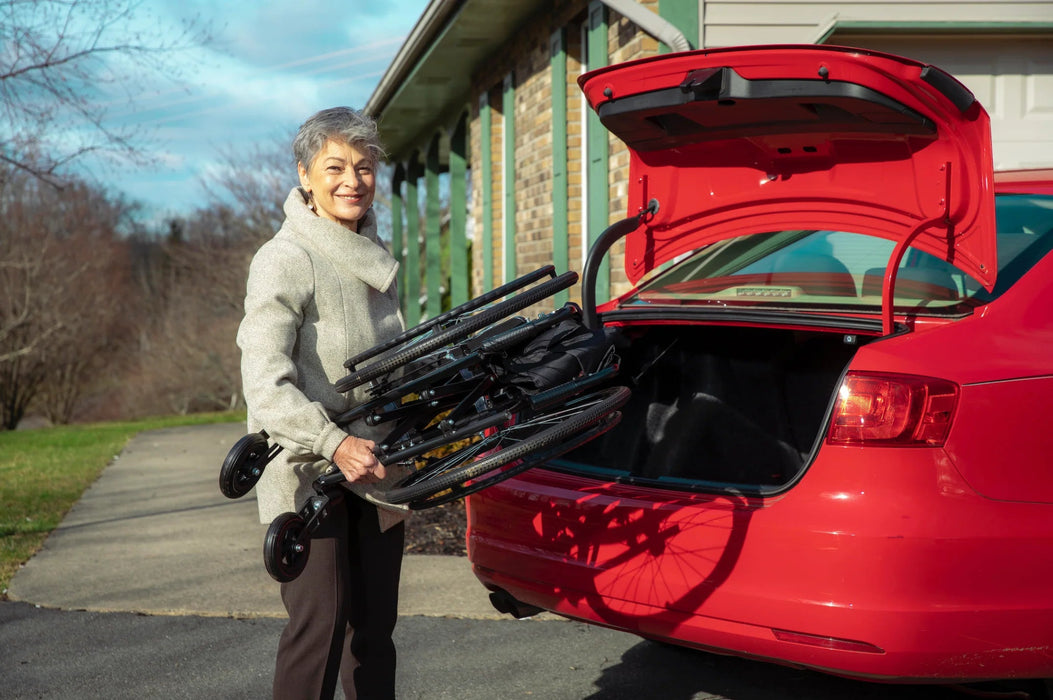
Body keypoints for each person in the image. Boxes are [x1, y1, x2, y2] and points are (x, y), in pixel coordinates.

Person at [237, 106, 408, 699]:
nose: (352, 181)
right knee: (320, 628)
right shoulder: (286, 258)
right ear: (305, 174)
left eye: (365, 168)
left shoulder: (374, 256)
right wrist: (334, 442)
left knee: (375, 635)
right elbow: (263, 379)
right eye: (335, 166)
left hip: (380, 463)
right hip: (309, 469)